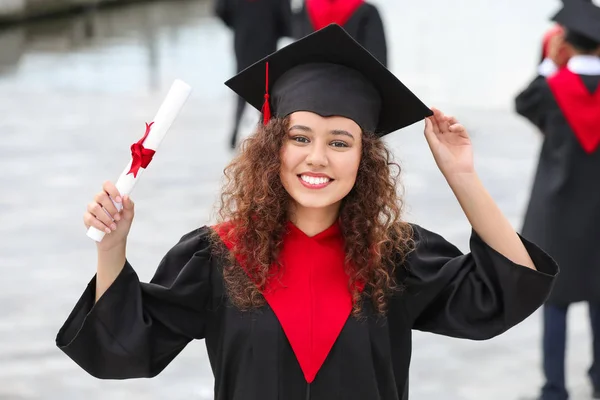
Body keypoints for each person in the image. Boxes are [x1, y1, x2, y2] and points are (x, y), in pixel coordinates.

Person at [56, 24, 558, 400]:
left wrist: (462, 176)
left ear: (365, 158)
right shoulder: (218, 257)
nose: (317, 157)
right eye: (299, 137)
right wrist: (113, 246)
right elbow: (121, 349)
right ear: (272, 147)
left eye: (340, 141)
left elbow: (502, 291)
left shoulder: (395, 257)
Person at [515, 1, 600, 399]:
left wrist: (549, 64)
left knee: (555, 303)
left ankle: (554, 388)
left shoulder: (550, 89)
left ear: (565, 44)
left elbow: (523, 104)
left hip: (557, 214)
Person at [214, 0, 292, 149]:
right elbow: (286, 20)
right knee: (267, 87)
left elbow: (221, 9)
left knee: (242, 84)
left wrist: (237, 22)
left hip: (243, 37)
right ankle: (267, 134)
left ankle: (235, 133)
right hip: (267, 38)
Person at [292, 0, 387, 66]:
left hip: (309, 89)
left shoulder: (303, 12)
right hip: (354, 89)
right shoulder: (368, 12)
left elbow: (297, 57)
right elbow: (378, 63)